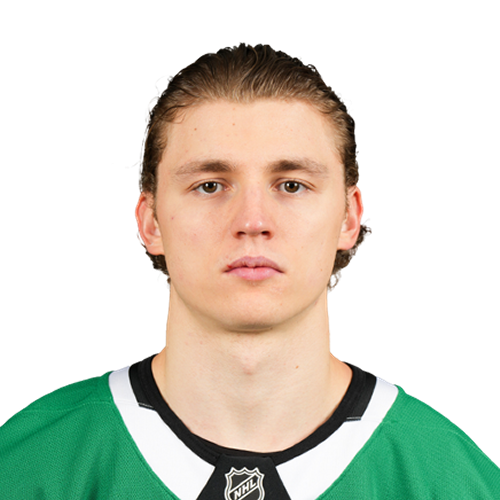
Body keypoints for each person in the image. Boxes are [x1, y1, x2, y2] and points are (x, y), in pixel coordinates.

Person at [1, 43, 498, 500]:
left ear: (349, 218)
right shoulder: (24, 465)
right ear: (149, 222)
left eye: (292, 185)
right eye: (211, 185)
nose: (253, 221)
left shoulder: (455, 478)